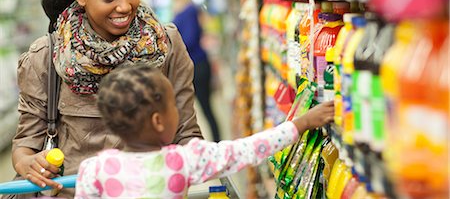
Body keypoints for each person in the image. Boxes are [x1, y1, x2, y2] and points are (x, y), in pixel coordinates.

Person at [9, 0, 202, 198]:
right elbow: (25, 146)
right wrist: (28, 162)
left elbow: (187, 133)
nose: (125, 6)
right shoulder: (47, 55)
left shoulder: (165, 45)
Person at [74, 64, 334, 198]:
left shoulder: (93, 169)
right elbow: (248, 150)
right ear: (158, 121)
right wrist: (300, 123)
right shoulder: (183, 161)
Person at [166, 0, 221, 142]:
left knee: (206, 108)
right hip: (192, 64)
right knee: (193, 109)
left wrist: (170, 46)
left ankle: (217, 144)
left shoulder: (189, 10)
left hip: (197, 66)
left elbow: (189, 38)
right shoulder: (180, 7)